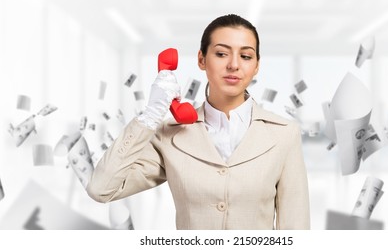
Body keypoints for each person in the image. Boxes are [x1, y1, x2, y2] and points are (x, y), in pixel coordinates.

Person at [86, 14, 310, 230]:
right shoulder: (171, 135)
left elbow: (295, 228)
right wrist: (150, 116)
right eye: (221, 54)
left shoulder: (284, 134)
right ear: (202, 60)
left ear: (257, 66)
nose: (233, 64)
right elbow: (101, 189)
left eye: (246, 56)